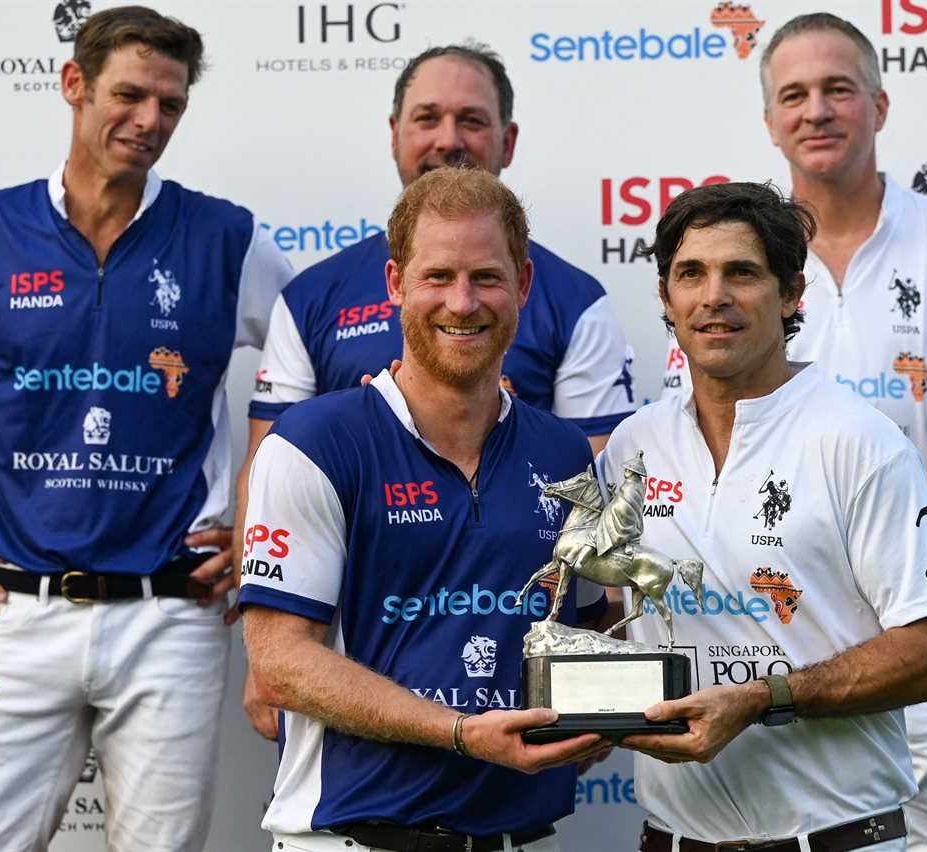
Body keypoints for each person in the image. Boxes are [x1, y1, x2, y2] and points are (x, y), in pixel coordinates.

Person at [0, 8, 294, 851]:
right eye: (129, 95)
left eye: (170, 104)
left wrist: (265, 530)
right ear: (73, 86)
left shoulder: (224, 238)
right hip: (16, 611)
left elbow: (320, 377)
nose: (150, 121)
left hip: (171, 616)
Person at [662, 15, 927, 850]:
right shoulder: (730, 260)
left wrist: (865, 566)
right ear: (769, 122)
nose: (817, 110)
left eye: (838, 89)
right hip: (739, 642)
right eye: (794, 94)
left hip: (907, 627)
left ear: (880, 104)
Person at [237, 41, 637, 739]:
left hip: (518, 721)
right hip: (359, 735)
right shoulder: (313, 295)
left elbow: (593, 499)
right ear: (395, 132)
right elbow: (272, 469)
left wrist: (597, 689)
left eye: (471, 120)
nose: (448, 140)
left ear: (507, 139)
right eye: (427, 117)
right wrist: (271, 633)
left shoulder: (576, 299)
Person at [240, 167, 610, 852]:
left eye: (487, 278)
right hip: (355, 838)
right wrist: (460, 733)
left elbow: (587, 627)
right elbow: (281, 662)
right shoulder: (317, 442)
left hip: (523, 838)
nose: (462, 303)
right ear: (395, 284)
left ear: (523, 285)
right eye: (437, 276)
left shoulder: (564, 455)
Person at [612, 181, 927, 851]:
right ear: (667, 299)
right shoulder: (633, 448)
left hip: (833, 840)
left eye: (741, 272)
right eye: (690, 274)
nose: (713, 295)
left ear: (790, 294)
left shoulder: (859, 441)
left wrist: (761, 698)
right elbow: (617, 617)